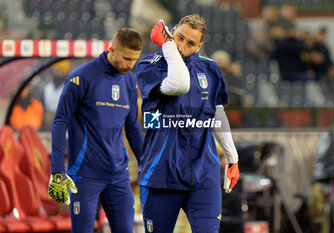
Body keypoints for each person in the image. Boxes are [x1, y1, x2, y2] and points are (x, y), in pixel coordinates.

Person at [136, 15, 240, 233]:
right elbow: (179, 84)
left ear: (200, 45)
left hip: (203, 175)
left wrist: (232, 157)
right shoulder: (149, 65)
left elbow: (217, 113)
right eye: (179, 38)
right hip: (161, 175)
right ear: (172, 31)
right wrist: (167, 45)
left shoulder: (210, 69)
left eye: (190, 43)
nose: (182, 46)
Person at [48, 27, 143, 233]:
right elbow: (60, 122)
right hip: (85, 175)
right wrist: (57, 171)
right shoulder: (81, 77)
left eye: (135, 60)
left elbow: (133, 128)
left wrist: (147, 165)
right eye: (127, 58)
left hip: (119, 175)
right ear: (112, 49)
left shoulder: (129, 81)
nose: (131, 64)